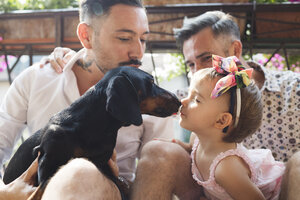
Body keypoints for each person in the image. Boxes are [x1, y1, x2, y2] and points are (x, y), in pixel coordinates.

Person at [0, 0, 174, 199]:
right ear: (86, 36)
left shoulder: (151, 99)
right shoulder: (36, 80)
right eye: (124, 38)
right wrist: (4, 192)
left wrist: (117, 183)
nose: (138, 52)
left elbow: (156, 175)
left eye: (143, 39)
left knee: (81, 173)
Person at [131, 11, 300, 199]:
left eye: (205, 58)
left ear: (235, 50)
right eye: (191, 64)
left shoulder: (294, 88)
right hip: (212, 190)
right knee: (157, 150)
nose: (197, 71)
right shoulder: (197, 99)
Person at [181, 55, 284, 199]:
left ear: (222, 120)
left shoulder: (226, 168)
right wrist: (182, 145)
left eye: (196, 99)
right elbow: (191, 147)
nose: (183, 101)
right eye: (188, 94)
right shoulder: (197, 139)